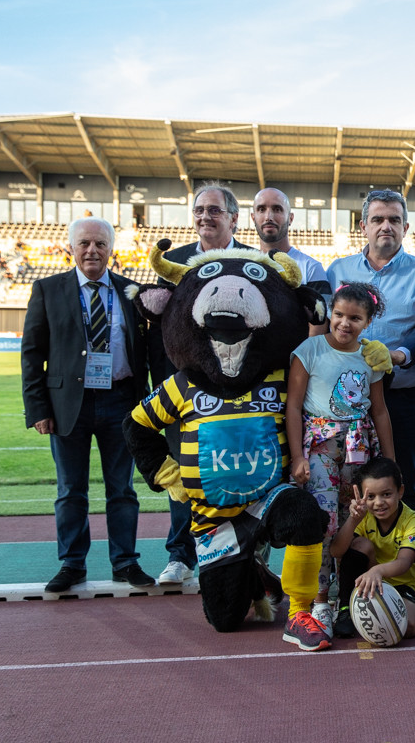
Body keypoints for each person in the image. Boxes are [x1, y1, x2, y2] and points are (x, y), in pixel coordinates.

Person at [22, 217, 156, 592]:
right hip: (68, 405)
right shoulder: (48, 289)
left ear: (111, 248)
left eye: (99, 243)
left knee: (123, 489)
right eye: (84, 243)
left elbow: (146, 351)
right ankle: (72, 563)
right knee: (70, 490)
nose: (91, 250)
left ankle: (125, 562)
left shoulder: (131, 291)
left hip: (121, 401)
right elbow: (31, 354)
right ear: (71, 248)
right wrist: (38, 409)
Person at [156, 183, 254, 587]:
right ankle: (180, 556)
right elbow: (160, 327)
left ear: (233, 218)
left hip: (238, 390)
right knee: (185, 471)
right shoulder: (173, 262)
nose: (204, 217)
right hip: (185, 389)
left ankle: (240, 558)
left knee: (237, 472)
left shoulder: (252, 260)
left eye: (214, 210)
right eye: (199, 210)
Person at [286, 282, 396, 638]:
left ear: (368, 322)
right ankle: (320, 599)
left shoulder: (370, 356)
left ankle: (348, 599)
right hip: (320, 447)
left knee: (355, 518)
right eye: (339, 315)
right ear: (329, 314)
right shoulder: (310, 349)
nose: (345, 323)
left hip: (359, 447)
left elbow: (380, 410)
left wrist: (390, 460)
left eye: (355, 318)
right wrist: (298, 456)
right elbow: (293, 405)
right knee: (324, 521)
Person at [327, 189, 415, 546]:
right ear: (363, 226)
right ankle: (356, 562)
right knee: (350, 484)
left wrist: (400, 355)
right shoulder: (337, 270)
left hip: (404, 396)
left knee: (406, 481)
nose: (385, 226)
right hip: (345, 402)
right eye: (377, 219)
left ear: (406, 227)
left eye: (394, 220)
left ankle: (412, 562)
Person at [331, 457, 415, 641]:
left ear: (400, 492)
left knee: (408, 628)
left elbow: (404, 562)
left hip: (403, 584)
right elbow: (336, 551)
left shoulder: (412, 520)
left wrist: (378, 571)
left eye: (386, 494)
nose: (378, 502)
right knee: (360, 544)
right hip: (371, 582)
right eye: (371, 497)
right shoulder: (364, 516)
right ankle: (345, 608)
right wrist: (353, 520)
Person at [251, 187, 330, 335]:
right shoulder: (245, 265)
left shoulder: (311, 268)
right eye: (261, 209)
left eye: (277, 209)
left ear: (291, 218)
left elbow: (319, 324)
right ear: (253, 217)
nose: (268, 216)